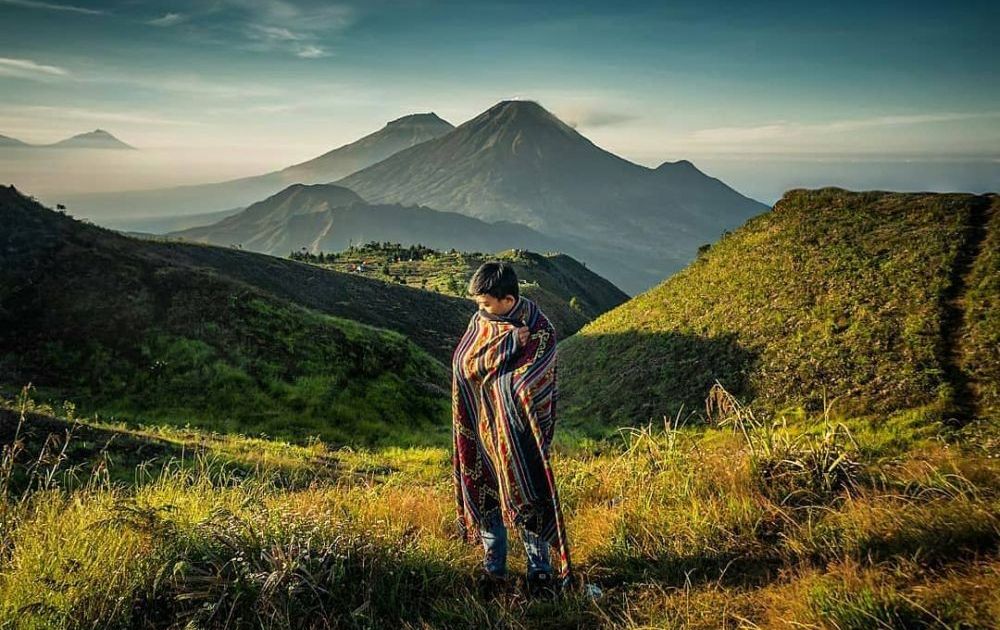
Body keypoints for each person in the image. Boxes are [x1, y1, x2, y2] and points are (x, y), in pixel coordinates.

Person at [451, 261, 572, 599]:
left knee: (529, 497)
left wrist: (502, 368)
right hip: (481, 433)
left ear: (507, 299)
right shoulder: (482, 322)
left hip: (518, 436)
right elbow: (463, 365)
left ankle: (540, 574)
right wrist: (506, 349)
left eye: (486, 302)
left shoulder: (539, 329)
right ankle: (494, 572)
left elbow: (527, 385)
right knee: (487, 494)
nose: (480, 309)